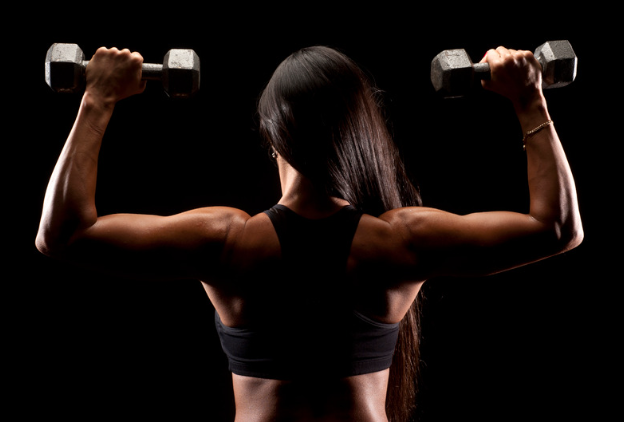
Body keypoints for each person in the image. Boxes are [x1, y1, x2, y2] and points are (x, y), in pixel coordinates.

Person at [36, 44, 583, 422]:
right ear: (358, 132)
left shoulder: (227, 242)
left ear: (273, 136)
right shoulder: (401, 244)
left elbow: (63, 234)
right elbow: (557, 228)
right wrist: (528, 98)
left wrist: (98, 99)